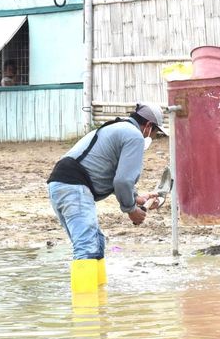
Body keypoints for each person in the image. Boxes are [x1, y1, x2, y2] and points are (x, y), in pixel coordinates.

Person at [47, 102, 166, 293]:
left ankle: (98, 298)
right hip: (74, 186)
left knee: (96, 243)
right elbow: (122, 181)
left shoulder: (117, 128)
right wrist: (131, 210)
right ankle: (86, 306)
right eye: (155, 133)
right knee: (86, 246)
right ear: (148, 126)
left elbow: (107, 172)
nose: (152, 137)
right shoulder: (135, 136)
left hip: (60, 185)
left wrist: (137, 198)